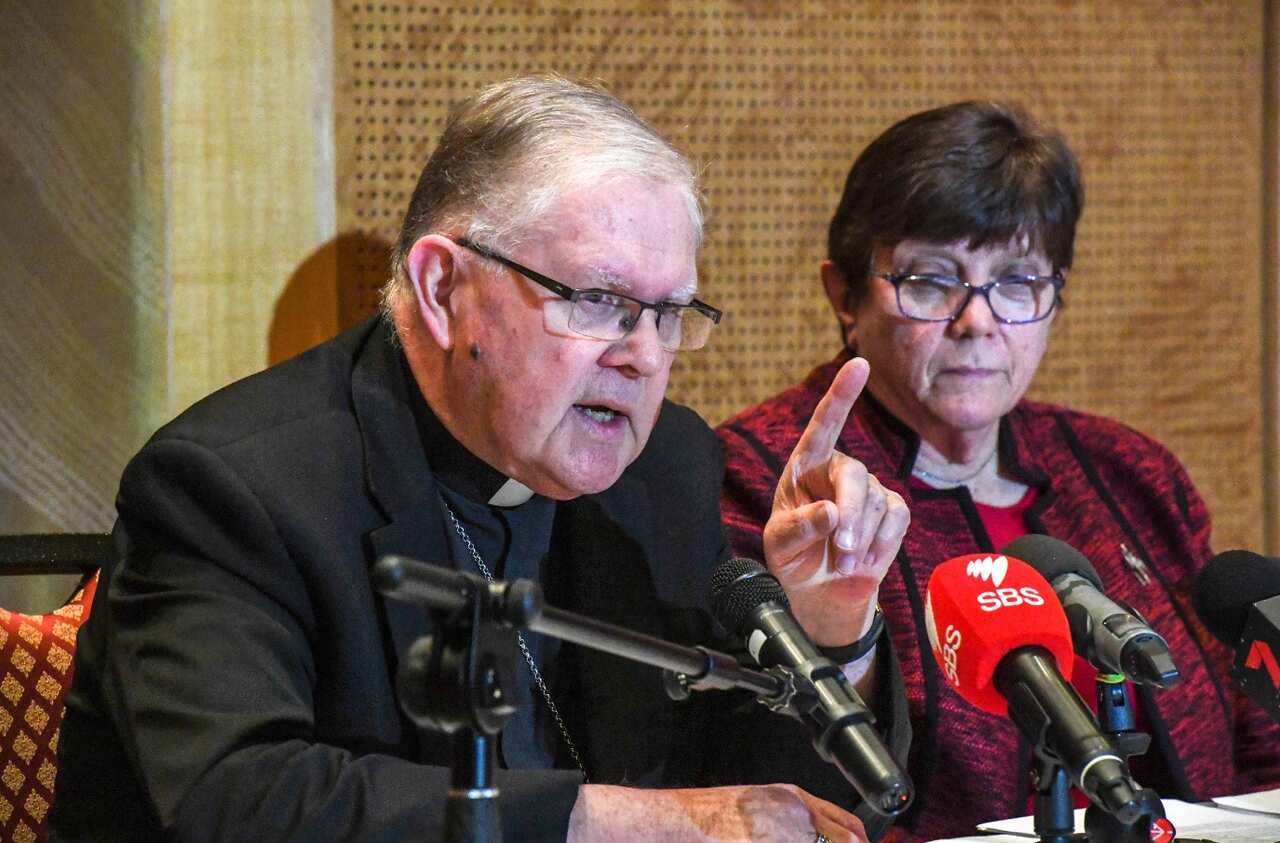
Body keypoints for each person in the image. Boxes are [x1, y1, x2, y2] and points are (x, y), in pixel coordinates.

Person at [52, 74, 912, 842]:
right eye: (601, 300)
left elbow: (767, 805)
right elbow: (239, 801)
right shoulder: (234, 488)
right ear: (442, 289)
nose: (644, 355)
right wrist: (613, 823)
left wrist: (830, 627)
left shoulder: (665, 468)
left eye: (669, 313)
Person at [717, 100, 1280, 842]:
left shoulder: (1131, 472)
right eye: (929, 279)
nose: (976, 320)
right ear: (844, 295)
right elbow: (769, 782)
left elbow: (1255, 750)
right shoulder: (764, 482)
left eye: (1017, 281)